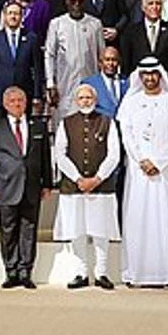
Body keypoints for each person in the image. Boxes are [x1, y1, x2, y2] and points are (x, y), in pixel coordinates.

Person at [117, 57, 168, 288]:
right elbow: (126, 134)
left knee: (167, 218)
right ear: (140, 76)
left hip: (166, 171)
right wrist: (141, 160)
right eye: (145, 74)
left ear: (160, 75)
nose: (149, 78)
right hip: (139, 172)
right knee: (138, 218)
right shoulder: (130, 103)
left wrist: (158, 161)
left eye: (153, 74)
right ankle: (137, 274)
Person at [51, 80, 122, 289]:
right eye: (81, 98)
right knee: (78, 230)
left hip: (102, 186)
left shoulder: (108, 122)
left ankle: (101, 273)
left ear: (95, 99)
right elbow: (60, 154)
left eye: (89, 97)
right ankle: (80, 273)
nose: (85, 101)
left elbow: (114, 154)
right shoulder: (66, 123)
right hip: (74, 188)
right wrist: (78, 179)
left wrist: (97, 178)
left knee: (101, 231)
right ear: (76, 100)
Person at [0, 85, 42, 289]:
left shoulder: (37, 126)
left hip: (32, 186)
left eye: (20, 101)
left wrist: (48, 184)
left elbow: (44, 157)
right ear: (6, 105)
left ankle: (26, 270)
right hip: (6, 187)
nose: (17, 105)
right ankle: (11, 271)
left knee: (29, 228)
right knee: (8, 230)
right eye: (13, 101)